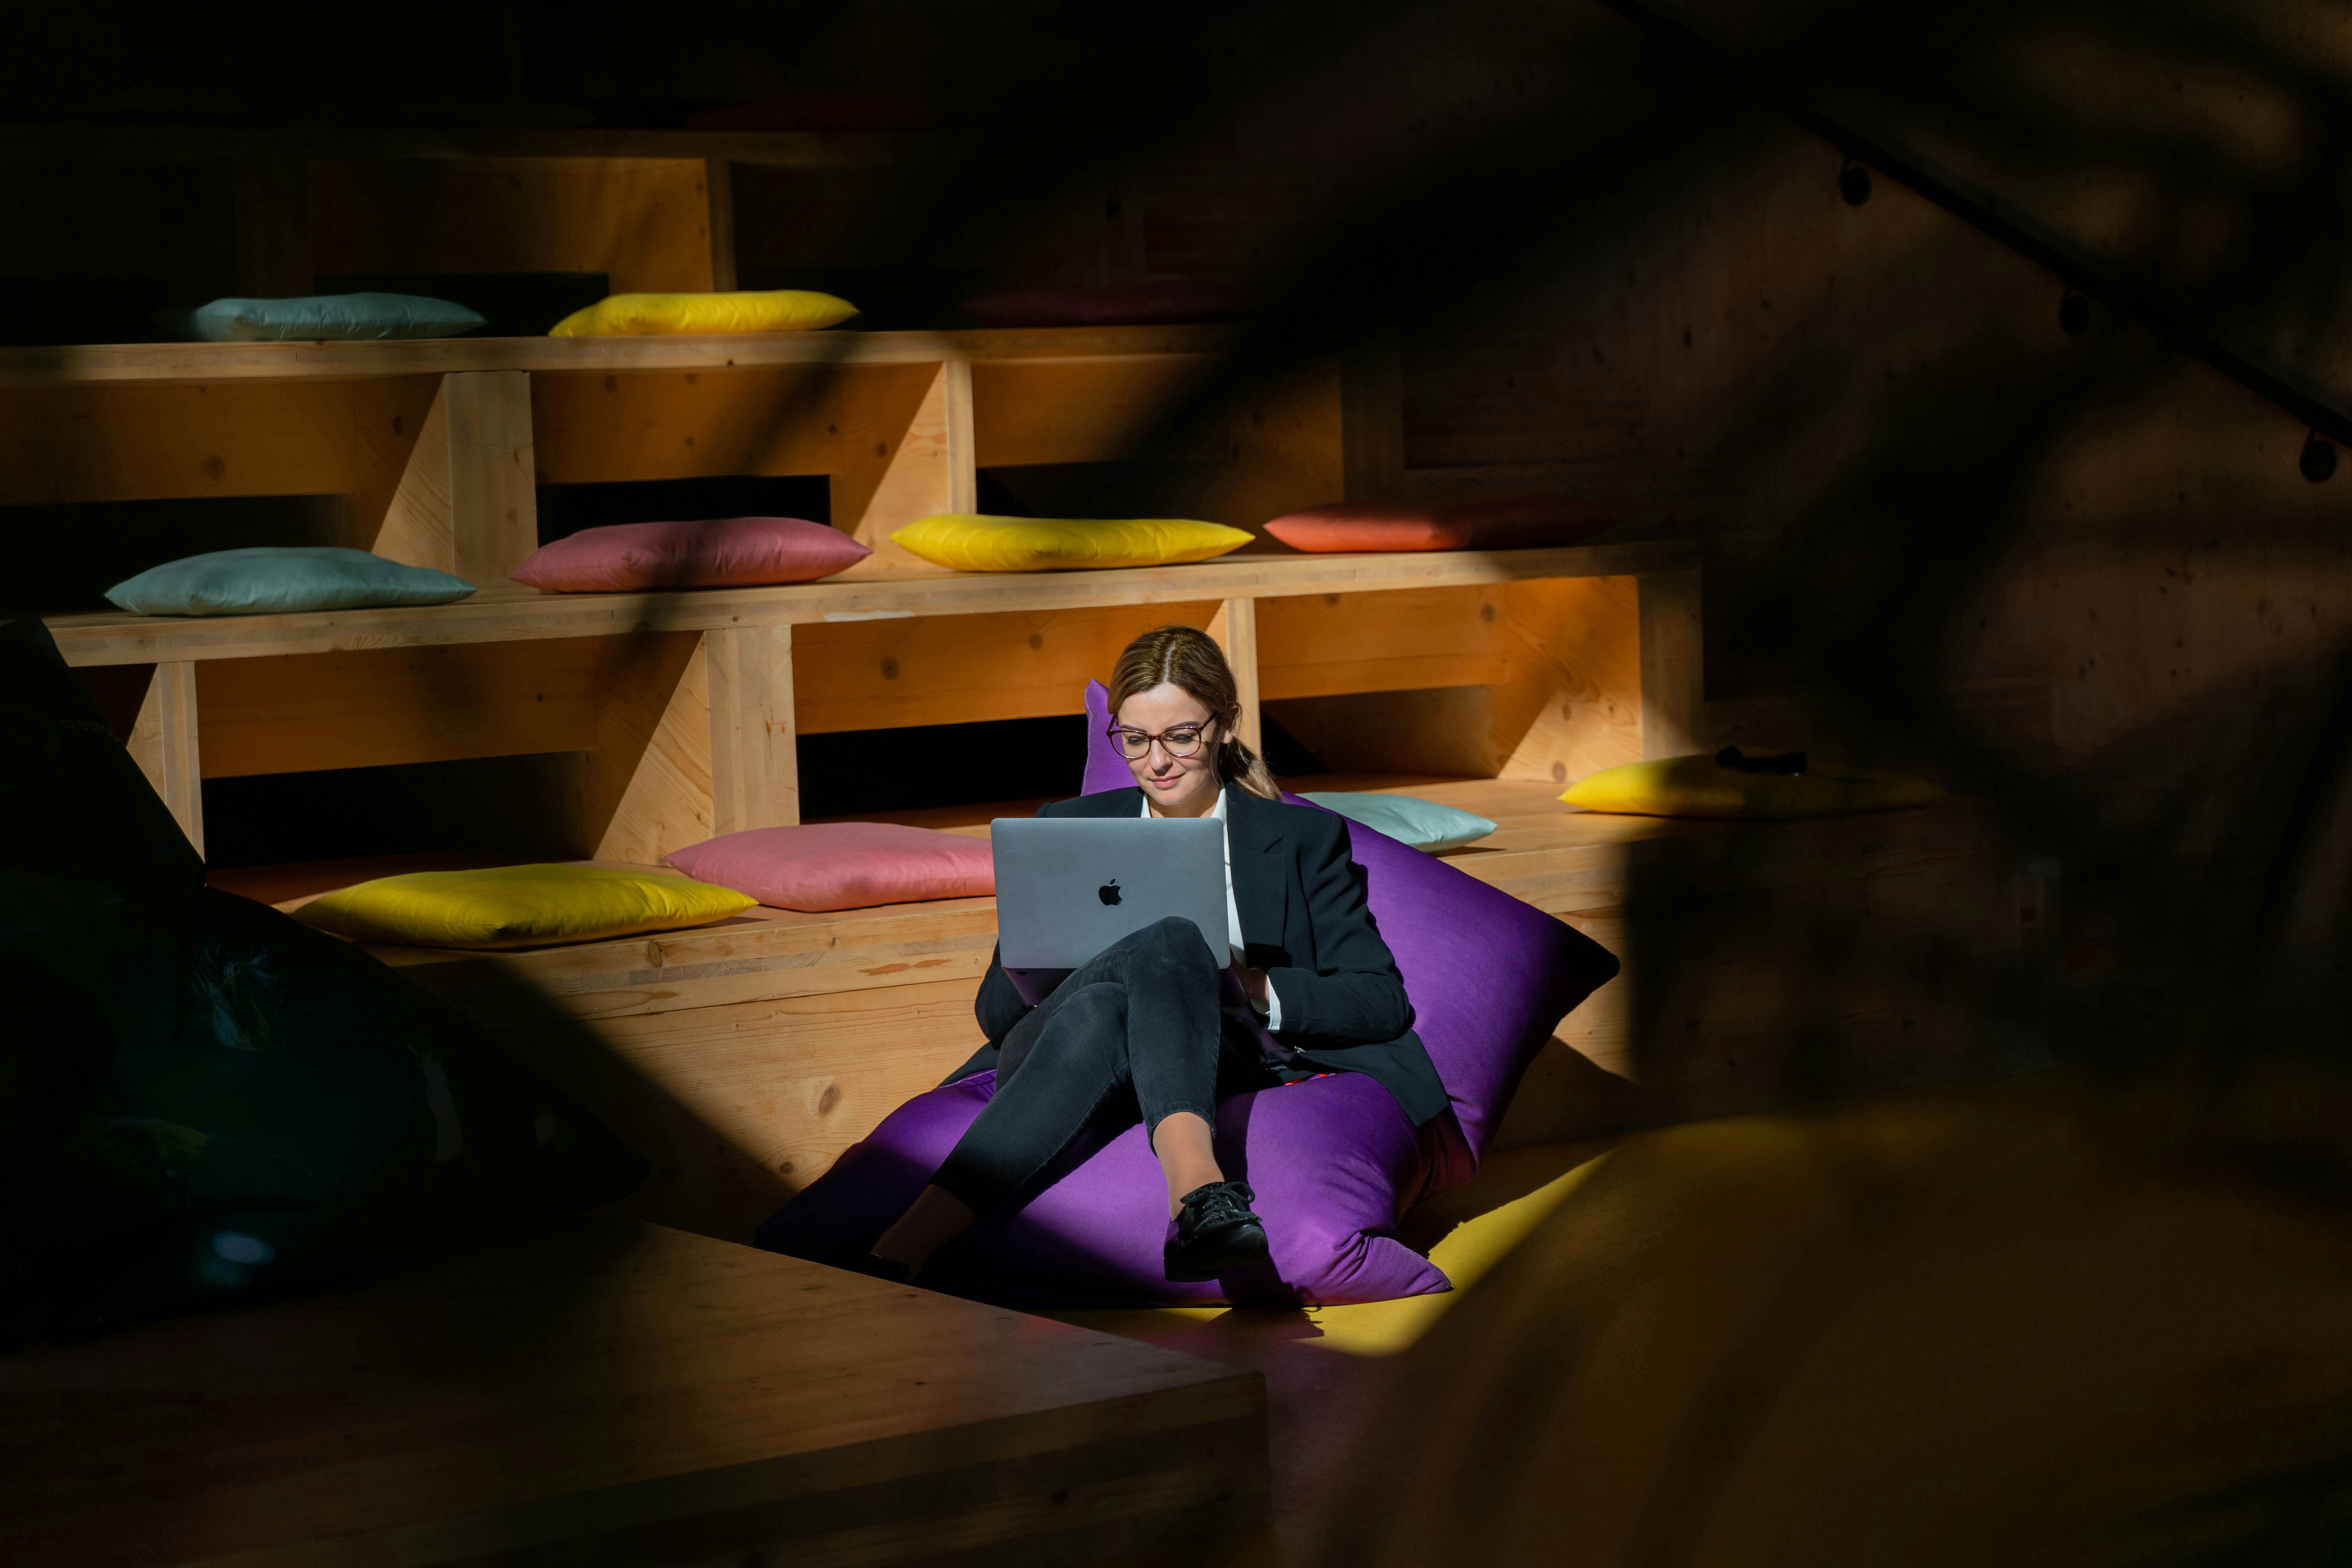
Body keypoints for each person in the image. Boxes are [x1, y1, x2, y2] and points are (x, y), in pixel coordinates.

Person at [854, 623, 1449, 1285]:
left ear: (1225, 726)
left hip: (1222, 1052)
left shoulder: (1301, 838)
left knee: (1149, 968)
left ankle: (897, 1251)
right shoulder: (1069, 827)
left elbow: (1377, 999)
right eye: (1134, 740)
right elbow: (997, 1014)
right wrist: (1049, 947)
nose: (1156, 761)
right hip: (1059, 1043)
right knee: (1157, 948)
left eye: (1179, 736)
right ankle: (1199, 1197)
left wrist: (1246, 983)